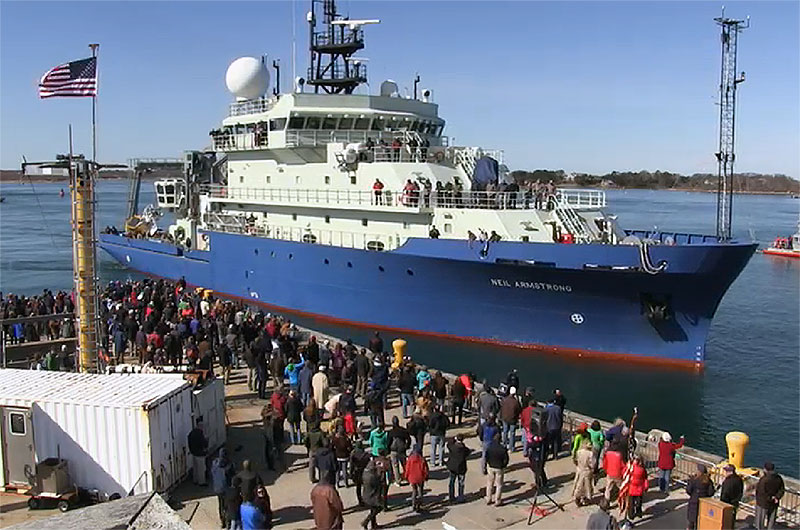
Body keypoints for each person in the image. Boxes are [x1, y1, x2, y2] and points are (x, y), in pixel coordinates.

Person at [755, 461, 785, 530]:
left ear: (765, 469)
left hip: (763, 503)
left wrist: (770, 498)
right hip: (774, 503)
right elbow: (782, 489)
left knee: (759, 521)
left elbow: (762, 492)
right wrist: (776, 497)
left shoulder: (764, 480)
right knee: (771, 521)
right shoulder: (778, 478)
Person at [686, 464, 715, 530]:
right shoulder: (708, 481)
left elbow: (688, 490)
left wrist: (693, 495)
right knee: (700, 521)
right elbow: (711, 492)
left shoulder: (694, 480)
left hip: (694, 502)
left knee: (691, 522)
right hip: (703, 503)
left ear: (699, 471)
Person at [211, 448, 235, 527]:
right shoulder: (229, 465)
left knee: (220, 505)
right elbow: (233, 475)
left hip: (217, 488)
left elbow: (212, 472)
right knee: (227, 506)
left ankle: (222, 521)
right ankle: (228, 522)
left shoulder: (215, 463)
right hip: (226, 488)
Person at [446, 433, 472, 504]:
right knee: (461, 483)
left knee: (451, 482)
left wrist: (453, 439)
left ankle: (451, 497)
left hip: (452, 467)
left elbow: (448, 444)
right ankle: (461, 497)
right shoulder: (464, 449)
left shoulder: (452, 447)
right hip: (461, 467)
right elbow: (469, 452)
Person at [485, 432, 508, 506]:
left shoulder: (490, 447)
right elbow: (506, 459)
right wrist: (503, 465)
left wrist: (488, 463)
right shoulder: (502, 448)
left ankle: (488, 498)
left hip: (491, 466)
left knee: (489, 484)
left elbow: (486, 457)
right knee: (499, 485)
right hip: (499, 467)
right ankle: (497, 500)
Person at [404, 447, 429, 512]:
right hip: (420, 477)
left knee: (414, 491)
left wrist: (406, 476)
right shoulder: (422, 459)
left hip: (412, 477)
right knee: (420, 491)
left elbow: (407, 469)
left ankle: (413, 505)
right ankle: (419, 504)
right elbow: (425, 469)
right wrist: (426, 476)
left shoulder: (410, 459)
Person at [387, 416, 411, 486]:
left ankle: (398, 480)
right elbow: (408, 439)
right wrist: (407, 446)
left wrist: (388, 450)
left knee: (395, 466)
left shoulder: (391, 432)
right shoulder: (403, 430)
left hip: (393, 450)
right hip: (402, 450)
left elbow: (388, 442)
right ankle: (407, 477)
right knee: (404, 464)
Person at [361, 460, 384, 530]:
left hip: (366, 494)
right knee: (379, 507)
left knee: (373, 510)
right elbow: (378, 484)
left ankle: (373, 525)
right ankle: (366, 521)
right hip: (372, 496)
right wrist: (380, 474)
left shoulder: (365, 473)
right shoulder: (372, 477)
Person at [573, 440, 594, 507]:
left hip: (580, 470)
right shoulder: (590, 454)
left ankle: (577, 497)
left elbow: (576, 460)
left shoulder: (578, 452)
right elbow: (591, 464)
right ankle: (586, 498)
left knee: (579, 485)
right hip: (587, 471)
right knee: (587, 486)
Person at [500, 387, 522, 452]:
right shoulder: (515, 402)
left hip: (505, 418)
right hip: (513, 419)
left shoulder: (504, 400)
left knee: (505, 432)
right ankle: (511, 448)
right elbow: (519, 410)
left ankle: (504, 445)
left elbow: (501, 407)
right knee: (512, 433)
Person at [603, 440, 624, 505]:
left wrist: (606, 470)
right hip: (618, 474)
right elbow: (622, 465)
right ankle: (622, 500)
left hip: (610, 473)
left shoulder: (607, 454)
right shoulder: (619, 455)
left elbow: (605, 464)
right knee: (621, 487)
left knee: (608, 488)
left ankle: (606, 500)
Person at [349, 441, 371, 506]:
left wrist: (350, 473)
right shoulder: (366, 454)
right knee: (366, 487)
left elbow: (351, 464)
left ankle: (360, 500)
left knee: (358, 487)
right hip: (365, 471)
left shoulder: (353, 454)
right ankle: (366, 499)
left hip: (357, 472)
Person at [188, 419, 208, 486]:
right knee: (201, 469)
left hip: (193, 452)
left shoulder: (191, 433)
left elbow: (189, 442)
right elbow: (204, 444)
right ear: (201, 426)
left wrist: (191, 450)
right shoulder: (200, 434)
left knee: (195, 468)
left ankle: (195, 480)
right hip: (200, 453)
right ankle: (202, 482)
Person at [627, 454, 648, 520]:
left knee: (631, 503)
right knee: (639, 502)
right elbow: (645, 477)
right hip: (639, 488)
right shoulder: (642, 469)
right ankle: (639, 513)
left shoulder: (632, 468)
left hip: (632, 488)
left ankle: (631, 515)